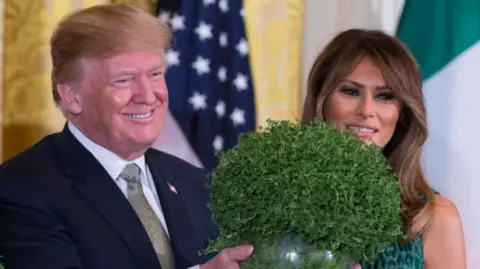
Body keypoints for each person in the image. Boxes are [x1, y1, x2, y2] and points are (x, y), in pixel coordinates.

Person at [0, 4, 253, 269]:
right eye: (123, 80)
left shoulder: (195, 183)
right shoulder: (24, 189)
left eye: (155, 74)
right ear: (73, 97)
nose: (147, 95)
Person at [302, 29, 467, 268]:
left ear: (402, 113)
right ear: (321, 99)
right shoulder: (272, 203)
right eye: (350, 91)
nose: (366, 109)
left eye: (385, 96)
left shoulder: (434, 218)